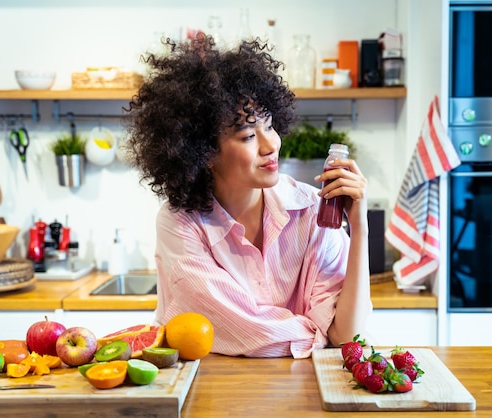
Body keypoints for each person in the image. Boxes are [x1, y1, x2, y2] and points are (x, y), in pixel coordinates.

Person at [125, 35, 372, 358]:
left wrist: (360, 228)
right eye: (248, 136)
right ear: (204, 152)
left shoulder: (312, 210)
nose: (271, 146)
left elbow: (348, 337)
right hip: (211, 393)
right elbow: (239, 329)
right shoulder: (180, 223)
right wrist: (317, 332)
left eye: (270, 126)